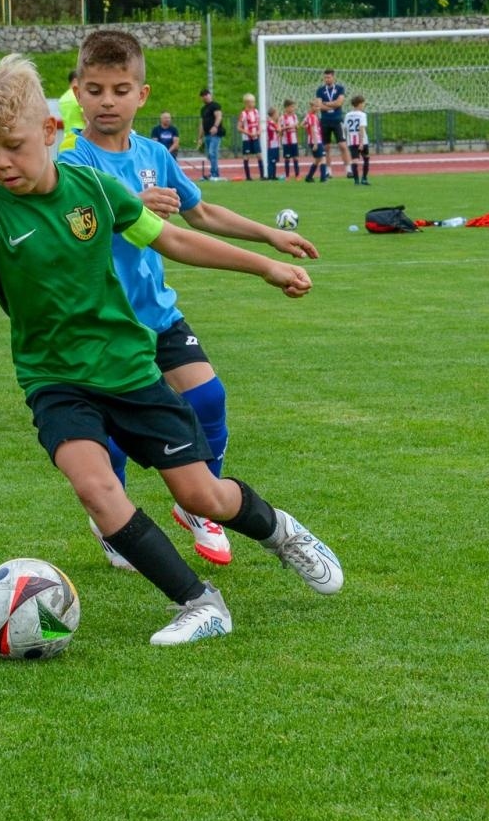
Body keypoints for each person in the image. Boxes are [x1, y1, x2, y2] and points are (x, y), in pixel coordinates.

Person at [0, 55, 342, 646]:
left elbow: (176, 238)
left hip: (130, 370)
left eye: (13, 146)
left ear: (50, 133)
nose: (0, 163)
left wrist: (265, 266)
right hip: (55, 381)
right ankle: (199, 603)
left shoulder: (93, 189)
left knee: (202, 494)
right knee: (95, 486)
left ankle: (281, 532)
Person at [57, 28, 321, 570]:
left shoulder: (154, 152)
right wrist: (130, 202)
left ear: (142, 95)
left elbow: (200, 214)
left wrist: (269, 235)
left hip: (156, 313)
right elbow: (71, 225)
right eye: (97, 89)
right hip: (101, 322)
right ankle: (112, 521)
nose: (108, 101)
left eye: (121, 89)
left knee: (209, 397)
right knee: (107, 431)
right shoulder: (68, 161)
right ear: (78, 91)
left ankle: (201, 502)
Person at [315, 68, 349, 181]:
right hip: (325, 121)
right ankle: (329, 171)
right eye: (325, 77)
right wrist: (332, 105)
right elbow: (320, 106)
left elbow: (340, 102)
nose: (326, 79)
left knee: (342, 145)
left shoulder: (340, 88)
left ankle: (348, 169)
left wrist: (326, 103)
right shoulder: (320, 90)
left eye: (329, 77)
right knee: (326, 147)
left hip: (337, 120)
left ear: (333, 77)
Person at [199, 88, 225, 180]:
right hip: (207, 134)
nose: (205, 97)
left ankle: (215, 173)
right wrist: (200, 137)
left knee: (212, 152)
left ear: (210, 95)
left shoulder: (215, 105)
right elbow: (202, 123)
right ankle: (213, 171)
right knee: (209, 154)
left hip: (215, 134)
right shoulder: (203, 109)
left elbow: (219, 116)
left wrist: (215, 126)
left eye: (206, 95)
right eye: (203, 96)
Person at [345, 95, 371, 185]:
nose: (364, 105)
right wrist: (361, 142)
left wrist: (348, 140)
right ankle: (364, 179)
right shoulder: (362, 115)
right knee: (366, 158)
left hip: (351, 140)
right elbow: (361, 128)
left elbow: (346, 128)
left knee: (355, 161)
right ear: (359, 104)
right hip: (362, 140)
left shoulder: (348, 115)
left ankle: (356, 181)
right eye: (363, 103)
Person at [236, 93, 263, 181]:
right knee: (246, 156)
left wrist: (259, 130)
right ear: (247, 103)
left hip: (255, 138)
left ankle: (262, 175)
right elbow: (239, 127)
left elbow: (258, 123)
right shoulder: (243, 114)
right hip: (247, 139)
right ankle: (248, 177)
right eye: (251, 102)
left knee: (259, 155)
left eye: (254, 102)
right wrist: (248, 133)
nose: (253, 103)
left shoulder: (256, 112)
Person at [302, 96, 325, 183]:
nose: (318, 108)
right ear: (312, 107)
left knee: (317, 159)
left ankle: (309, 177)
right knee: (322, 158)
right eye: (316, 106)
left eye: (319, 106)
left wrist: (306, 127)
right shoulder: (312, 116)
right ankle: (323, 178)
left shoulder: (309, 116)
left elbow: (302, 124)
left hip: (314, 140)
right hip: (315, 140)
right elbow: (312, 129)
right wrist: (315, 143)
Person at [58, 70, 85, 140]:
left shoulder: (62, 98)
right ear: (76, 80)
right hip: (80, 135)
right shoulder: (79, 96)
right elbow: (85, 117)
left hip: (67, 135)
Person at [280, 98, 301, 180]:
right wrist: (289, 127)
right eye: (292, 107)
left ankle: (297, 175)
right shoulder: (282, 117)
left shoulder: (294, 116)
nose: (293, 109)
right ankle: (287, 176)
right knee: (287, 158)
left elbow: (297, 127)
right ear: (286, 107)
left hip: (294, 140)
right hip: (286, 141)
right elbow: (280, 129)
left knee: (295, 157)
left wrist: (296, 126)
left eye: (293, 107)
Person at [264, 105, 282, 181]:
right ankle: (270, 175)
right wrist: (278, 122)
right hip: (271, 145)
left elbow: (279, 132)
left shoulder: (272, 123)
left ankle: (273, 175)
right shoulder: (270, 123)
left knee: (274, 161)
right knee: (271, 161)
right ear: (273, 114)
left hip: (275, 144)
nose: (278, 115)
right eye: (277, 114)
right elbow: (279, 130)